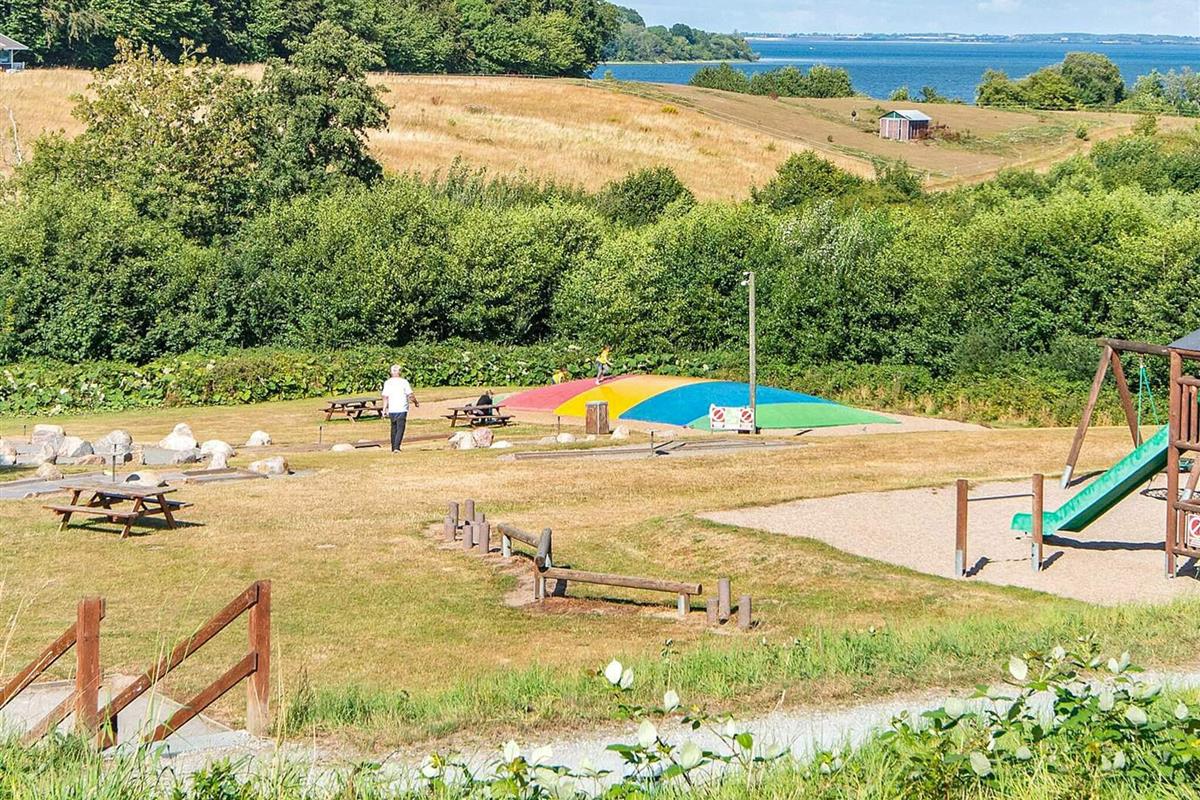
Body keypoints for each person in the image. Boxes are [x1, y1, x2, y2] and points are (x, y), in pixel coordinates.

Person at [381, 365, 418, 452]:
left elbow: (385, 397)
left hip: (392, 409)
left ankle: (393, 447)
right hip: (402, 408)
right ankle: (396, 447)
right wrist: (416, 402)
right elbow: (410, 395)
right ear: (400, 372)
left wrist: (384, 409)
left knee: (393, 428)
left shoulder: (387, 382)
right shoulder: (404, 382)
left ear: (391, 372)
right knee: (400, 428)